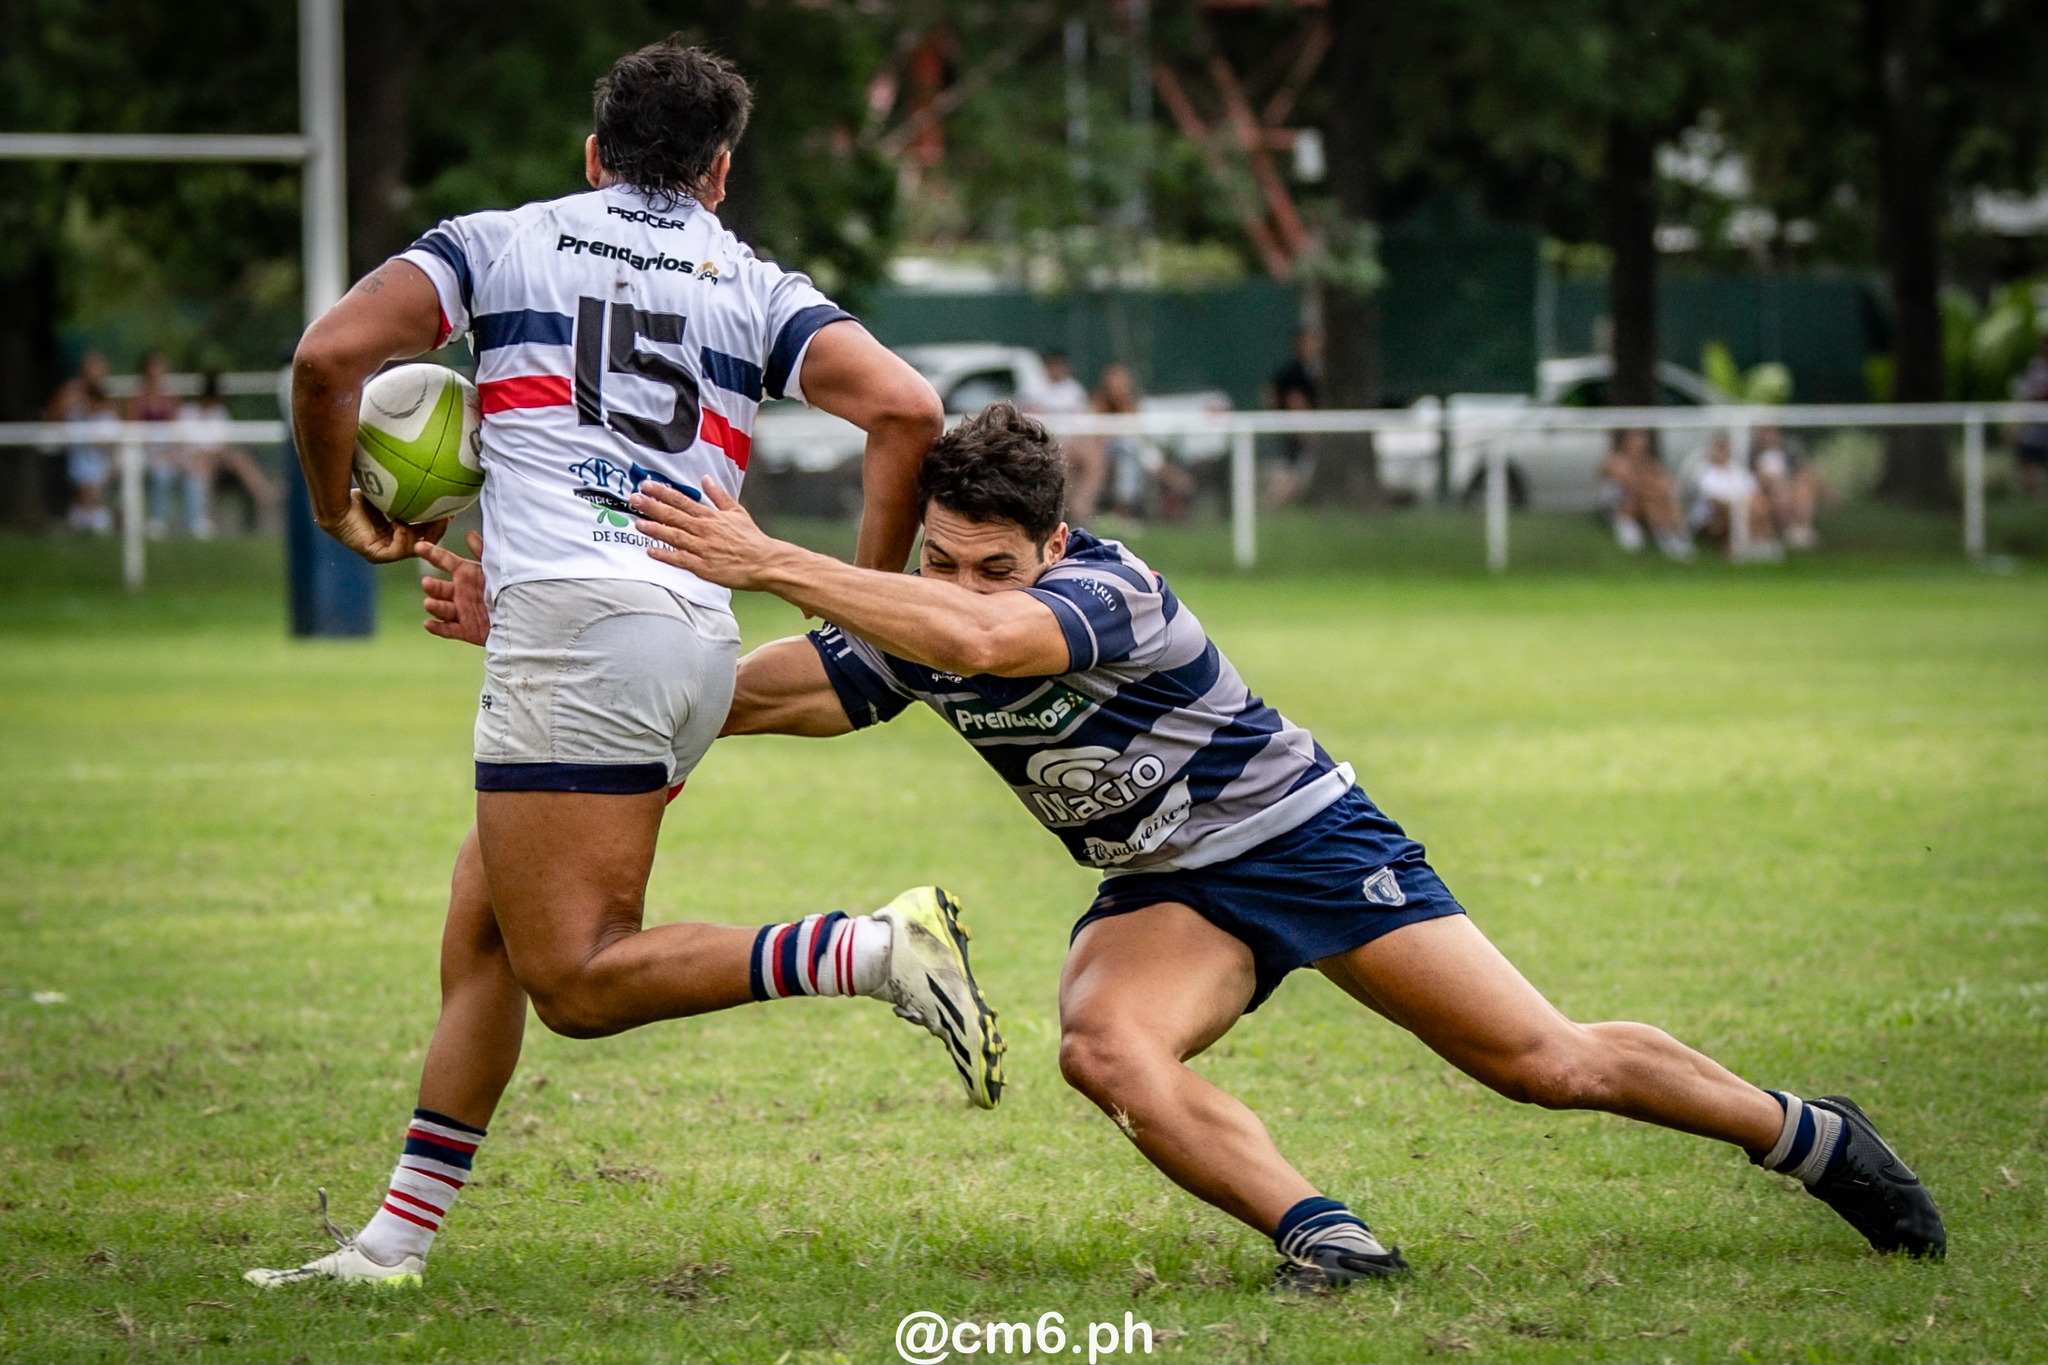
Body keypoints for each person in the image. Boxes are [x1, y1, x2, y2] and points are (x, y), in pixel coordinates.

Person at [422, 401, 1948, 1287]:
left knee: (1539, 1063)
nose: (957, 579)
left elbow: (982, 634)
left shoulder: (1105, 596)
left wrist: (770, 559)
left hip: (1303, 840)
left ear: (1053, 547)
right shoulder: (927, 606)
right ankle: (1332, 1240)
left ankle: (1808, 1134)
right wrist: (552, 648)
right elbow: (750, 694)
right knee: (1103, 1046)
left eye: (990, 560)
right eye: (938, 553)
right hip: (1167, 888)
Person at [244, 38, 1005, 1291]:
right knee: (484, 934)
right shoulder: (750, 280)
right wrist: (860, 603)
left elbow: (329, 359)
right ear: (716, 174)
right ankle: (392, 1244)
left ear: (593, 154)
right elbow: (908, 410)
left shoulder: (496, 243)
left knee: (580, 980)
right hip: (685, 639)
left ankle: (869, 950)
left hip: (582, 644)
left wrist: (340, 511)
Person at [1095, 361, 1188, 520]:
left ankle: (1173, 489)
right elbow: (1098, 436)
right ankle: (1124, 512)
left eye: (1122, 380)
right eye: (1115, 379)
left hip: (1133, 450)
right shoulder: (1099, 401)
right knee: (1130, 454)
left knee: (1133, 452)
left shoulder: (1131, 403)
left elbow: (1135, 431)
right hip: (1108, 451)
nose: (1118, 384)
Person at [1023, 351, 1102, 522]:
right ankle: (1059, 509)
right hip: (1045, 443)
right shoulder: (1033, 389)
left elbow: (1083, 421)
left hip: (1073, 441)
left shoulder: (1073, 390)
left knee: (1095, 461)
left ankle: (1081, 507)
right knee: (1063, 461)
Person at [45, 351, 117, 534]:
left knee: (98, 462)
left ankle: (92, 510)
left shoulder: (108, 397)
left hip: (101, 452)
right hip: (73, 450)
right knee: (84, 462)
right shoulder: (70, 392)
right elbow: (51, 419)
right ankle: (86, 510)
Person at [129, 351, 196, 538]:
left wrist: (173, 452)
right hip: (146, 448)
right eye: (155, 366)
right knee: (161, 473)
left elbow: (177, 429)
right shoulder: (137, 397)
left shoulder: (171, 396)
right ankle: (158, 519)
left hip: (168, 448)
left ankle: (194, 520)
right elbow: (134, 430)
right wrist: (154, 451)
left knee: (194, 471)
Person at [1600, 428, 1693, 562]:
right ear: (1627, 440)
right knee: (1649, 498)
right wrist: (1655, 489)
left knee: (1664, 497)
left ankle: (1674, 533)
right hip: (1620, 507)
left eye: (1644, 439)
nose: (1642, 443)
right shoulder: (1615, 460)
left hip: (1644, 500)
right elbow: (1631, 484)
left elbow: (1665, 482)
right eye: (1638, 439)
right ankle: (1666, 536)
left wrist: (1662, 490)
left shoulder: (1648, 461)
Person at [1693, 435, 1781, 561]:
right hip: (1714, 515)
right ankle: (1750, 544)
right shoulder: (1705, 472)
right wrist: (1738, 505)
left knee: (1760, 504)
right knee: (1745, 510)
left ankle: (1762, 542)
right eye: (1718, 450)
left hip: (1743, 508)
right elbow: (1712, 500)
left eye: (1724, 449)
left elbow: (1753, 491)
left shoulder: (1737, 470)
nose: (1721, 453)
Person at [1263, 329, 1320, 508]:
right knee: (1297, 470)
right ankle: (1269, 504)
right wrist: (1305, 428)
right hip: (1296, 429)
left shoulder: (1311, 368)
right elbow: (1292, 399)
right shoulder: (1294, 370)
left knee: (1298, 469)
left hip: (1296, 426)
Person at [1750, 425, 1821, 550]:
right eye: (1765, 434)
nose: (1768, 437)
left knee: (1804, 487)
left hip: (1789, 487)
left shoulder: (1788, 452)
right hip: (1766, 491)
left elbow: (1801, 470)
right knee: (1777, 491)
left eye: (1771, 433)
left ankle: (1802, 527)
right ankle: (1788, 528)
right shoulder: (1754, 455)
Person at [2012, 335, 2048, 500]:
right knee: (2025, 459)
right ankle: (2032, 496)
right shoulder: (2035, 366)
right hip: (2035, 428)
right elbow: (2030, 393)